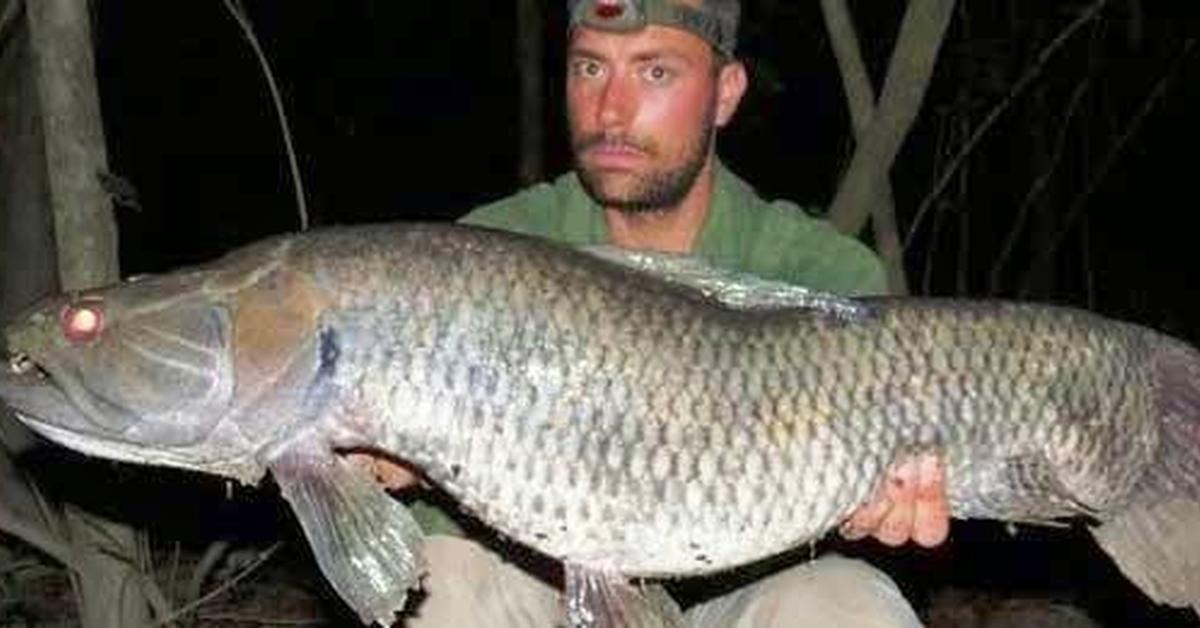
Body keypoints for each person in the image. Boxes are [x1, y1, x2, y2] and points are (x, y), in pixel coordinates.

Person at [358, 1, 951, 624]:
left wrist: (879, 503)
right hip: (544, 584)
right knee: (443, 584)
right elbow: (435, 516)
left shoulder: (823, 280)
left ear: (725, 94)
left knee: (847, 606)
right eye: (590, 68)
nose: (610, 110)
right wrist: (397, 461)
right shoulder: (494, 251)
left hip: (732, 593)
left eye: (655, 73)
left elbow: (856, 517)